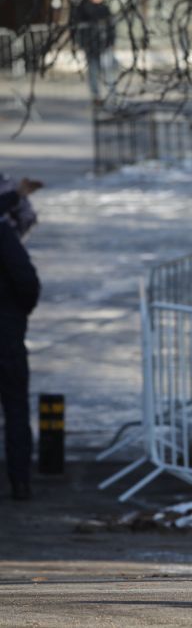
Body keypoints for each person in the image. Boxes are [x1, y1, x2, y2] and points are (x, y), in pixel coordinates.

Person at [0, 175, 42, 501]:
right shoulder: (3, 235)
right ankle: (20, 481)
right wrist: (16, 316)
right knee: (15, 409)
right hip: (7, 337)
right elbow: (27, 281)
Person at [73, 0, 116, 105]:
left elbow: (111, 27)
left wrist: (111, 42)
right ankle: (96, 96)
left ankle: (111, 96)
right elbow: (78, 26)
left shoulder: (105, 8)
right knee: (93, 71)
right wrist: (81, 42)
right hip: (91, 45)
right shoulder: (83, 8)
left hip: (105, 45)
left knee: (109, 72)